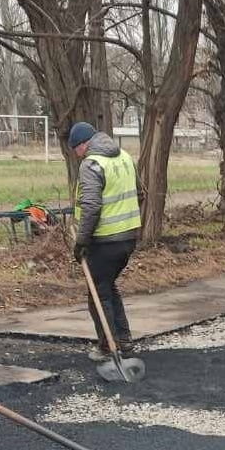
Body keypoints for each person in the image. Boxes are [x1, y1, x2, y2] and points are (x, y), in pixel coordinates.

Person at [68, 122, 142, 361]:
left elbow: (91, 206)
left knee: (98, 293)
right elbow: (140, 194)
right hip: (128, 237)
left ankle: (108, 347)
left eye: (76, 149)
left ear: (83, 144)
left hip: (105, 241)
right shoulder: (124, 157)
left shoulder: (92, 164)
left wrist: (81, 242)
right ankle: (124, 341)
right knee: (107, 286)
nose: (77, 155)